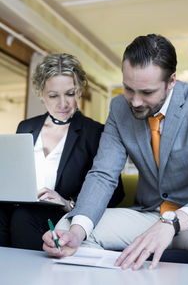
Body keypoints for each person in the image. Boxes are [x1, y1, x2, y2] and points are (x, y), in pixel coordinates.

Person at [42, 34, 188, 270]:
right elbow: (103, 174)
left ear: (171, 82)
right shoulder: (119, 107)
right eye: (128, 89)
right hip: (151, 214)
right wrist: (77, 231)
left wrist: (173, 223)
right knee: (66, 230)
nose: (135, 102)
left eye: (147, 92)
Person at [0, 53, 124, 250]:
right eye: (53, 95)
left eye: (70, 93)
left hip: (61, 215)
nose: (63, 104)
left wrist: (69, 203)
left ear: (80, 91)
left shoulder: (94, 132)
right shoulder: (26, 127)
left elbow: (117, 192)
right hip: (19, 207)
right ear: (40, 93)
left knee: (22, 218)